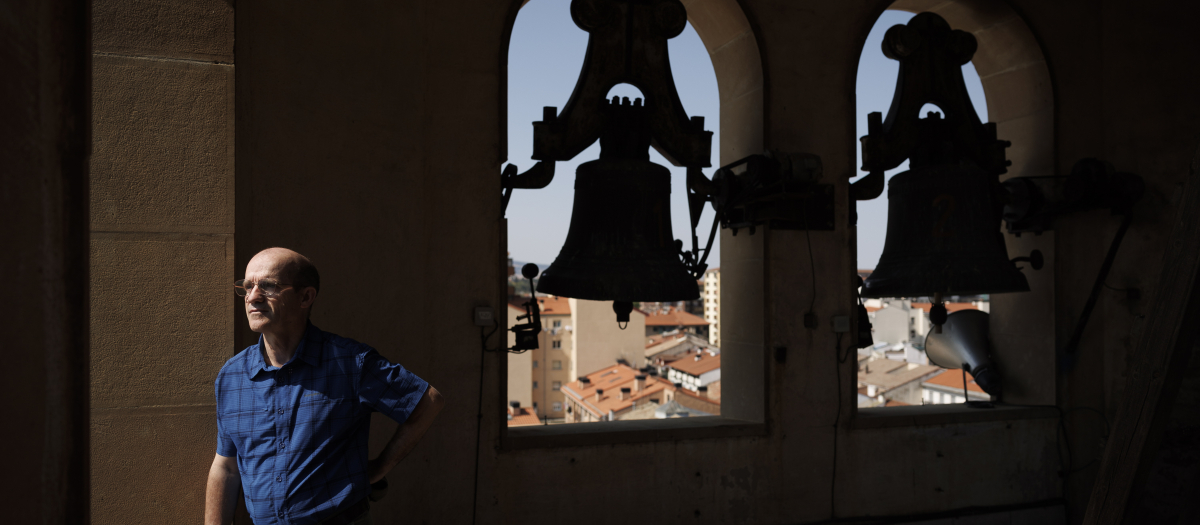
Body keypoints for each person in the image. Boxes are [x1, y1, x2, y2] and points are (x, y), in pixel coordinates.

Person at [205, 248, 444, 525]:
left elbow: (428, 402)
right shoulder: (232, 376)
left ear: (306, 296)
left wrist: (379, 468)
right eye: (248, 286)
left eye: (268, 286)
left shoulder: (350, 363)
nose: (253, 297)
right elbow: (226, 467)